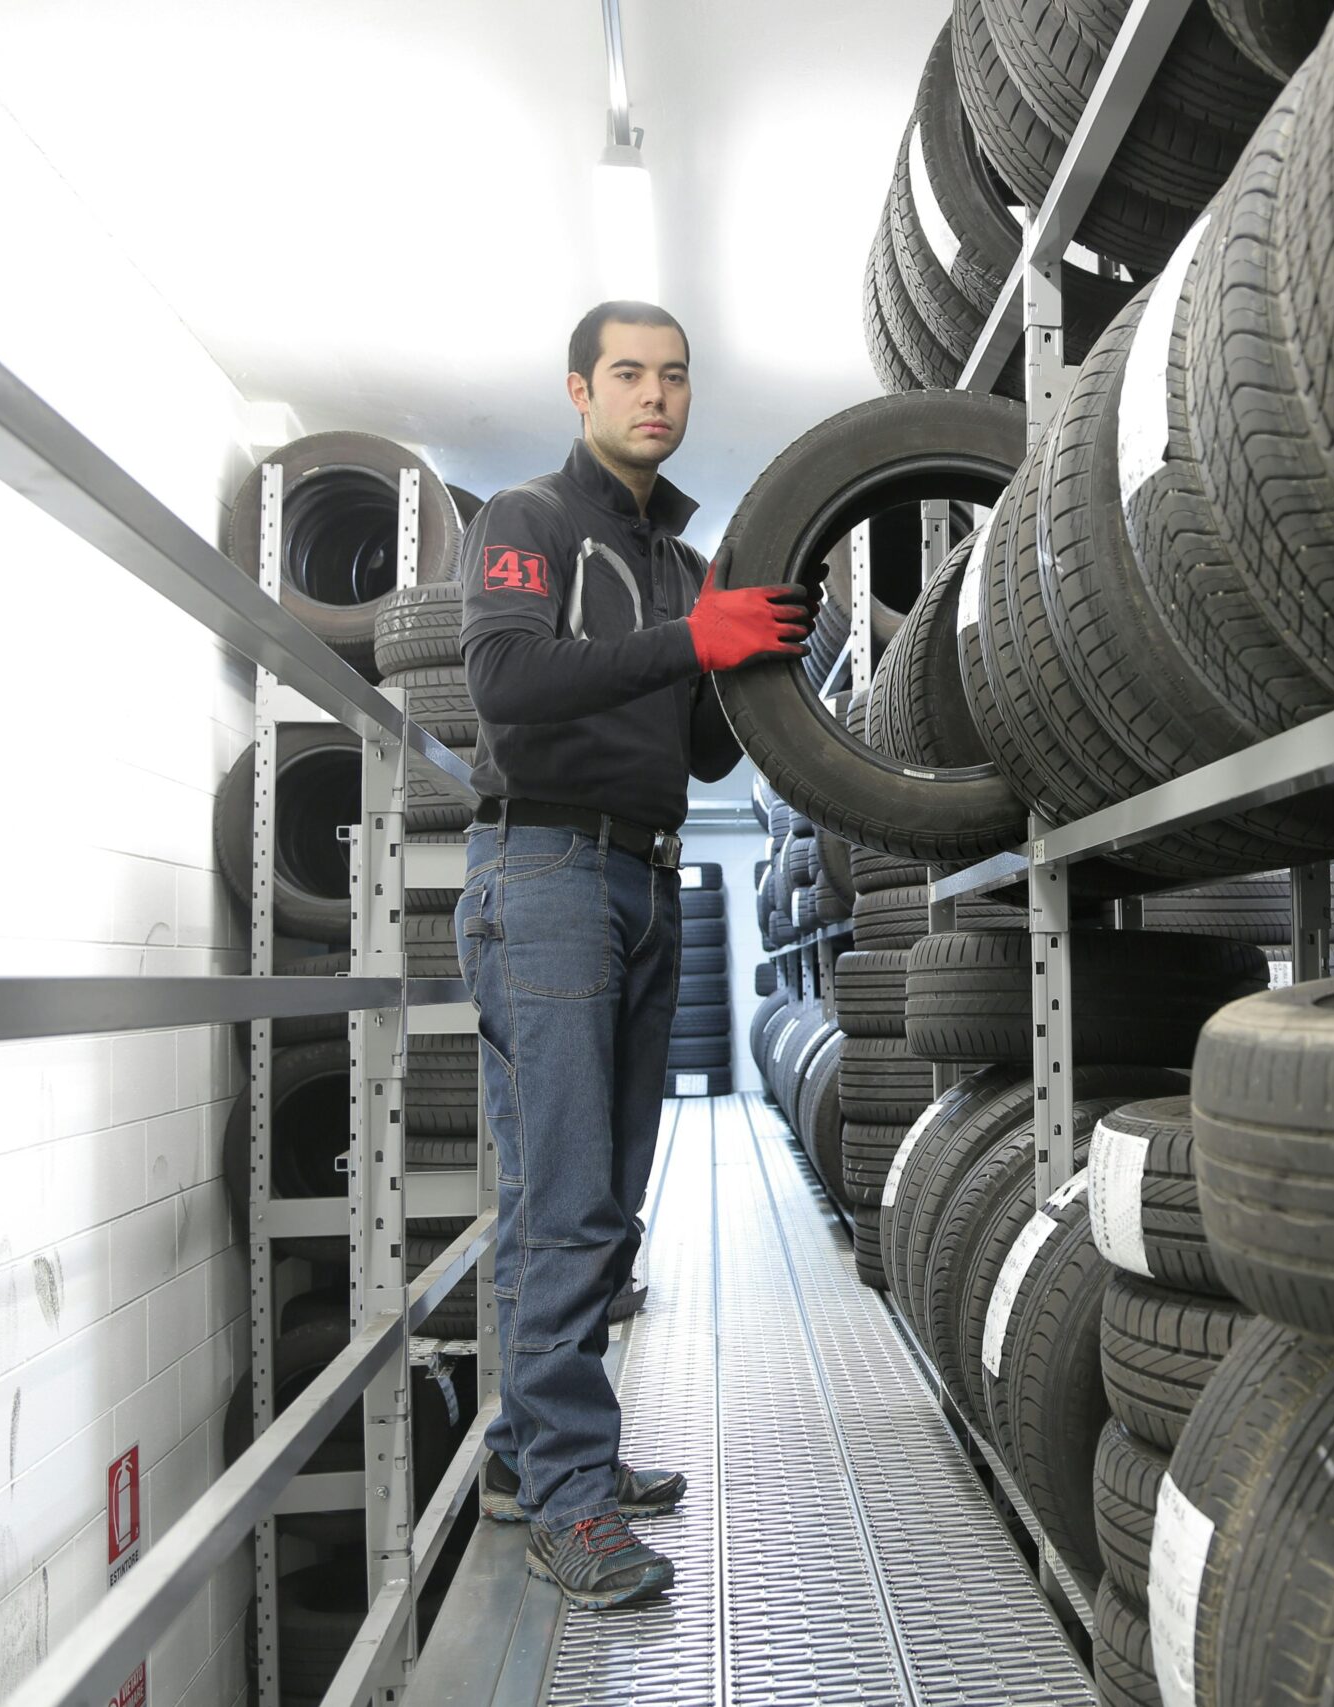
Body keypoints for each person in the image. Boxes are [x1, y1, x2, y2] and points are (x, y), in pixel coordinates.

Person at [452, 300, 816, 1608]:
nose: (654, 395)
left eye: (674, 376)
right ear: (578, 388)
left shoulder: (685, 564)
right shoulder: (524, 523)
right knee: (568, 1202)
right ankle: (570, 1497)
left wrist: (760, 656)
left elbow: (703, 751)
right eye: (629, 374)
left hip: (645, 876)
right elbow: (510, 685)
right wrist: (693, 642)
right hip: (543, 870)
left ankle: (526, 1457)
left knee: (594, 1201)